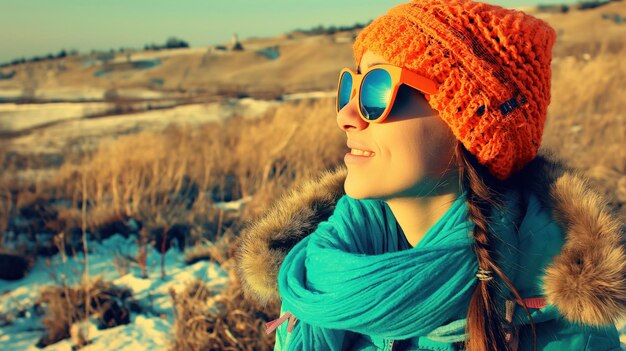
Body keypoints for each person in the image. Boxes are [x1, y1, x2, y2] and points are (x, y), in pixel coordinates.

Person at [235, 0, 625, 350]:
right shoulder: (318, 274)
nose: (346, 116)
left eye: (377, 89)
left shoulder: (570, 335)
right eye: (350, 88)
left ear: (468, 122)